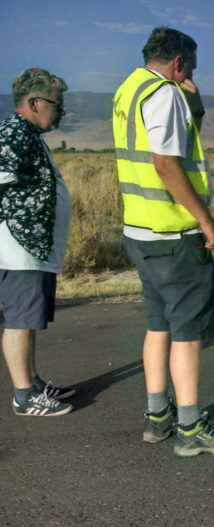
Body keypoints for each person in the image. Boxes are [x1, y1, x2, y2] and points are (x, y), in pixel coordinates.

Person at [114, 27, 214, 456]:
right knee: (187, 333)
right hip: (175, 235)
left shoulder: (127, 91)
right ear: (179, 64)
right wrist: (205, 219)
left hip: (140, 231)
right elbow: (166, 165)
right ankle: (191, 427)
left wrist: (196, 106)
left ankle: (159, 417)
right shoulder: (165, 94)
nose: (190, 75)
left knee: (158, 325)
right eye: (191, 68)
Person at [1, 68, 76, 416]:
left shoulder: (28, 135)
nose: (60, 111)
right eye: (55, 104)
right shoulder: (14, 132)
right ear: (33, 103)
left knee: (27, 319)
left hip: (32, 248)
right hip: (19, 248)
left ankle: (31, 383)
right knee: (20, 319)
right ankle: (23, 396)